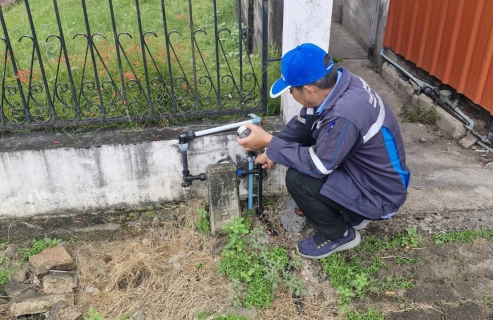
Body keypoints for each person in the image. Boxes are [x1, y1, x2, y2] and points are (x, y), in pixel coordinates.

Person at [238, 43, 410, 260]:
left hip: (380, 195)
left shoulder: (343, 114)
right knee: (304, 155)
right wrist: (272, 150)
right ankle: (355, 213)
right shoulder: (341, 84)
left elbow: (319, 166)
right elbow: (302, 124)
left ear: (309, 90)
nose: (290, 93)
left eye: (291, 89)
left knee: (298, 178)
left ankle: (340, 235)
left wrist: (271, 143)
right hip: (375, 179)